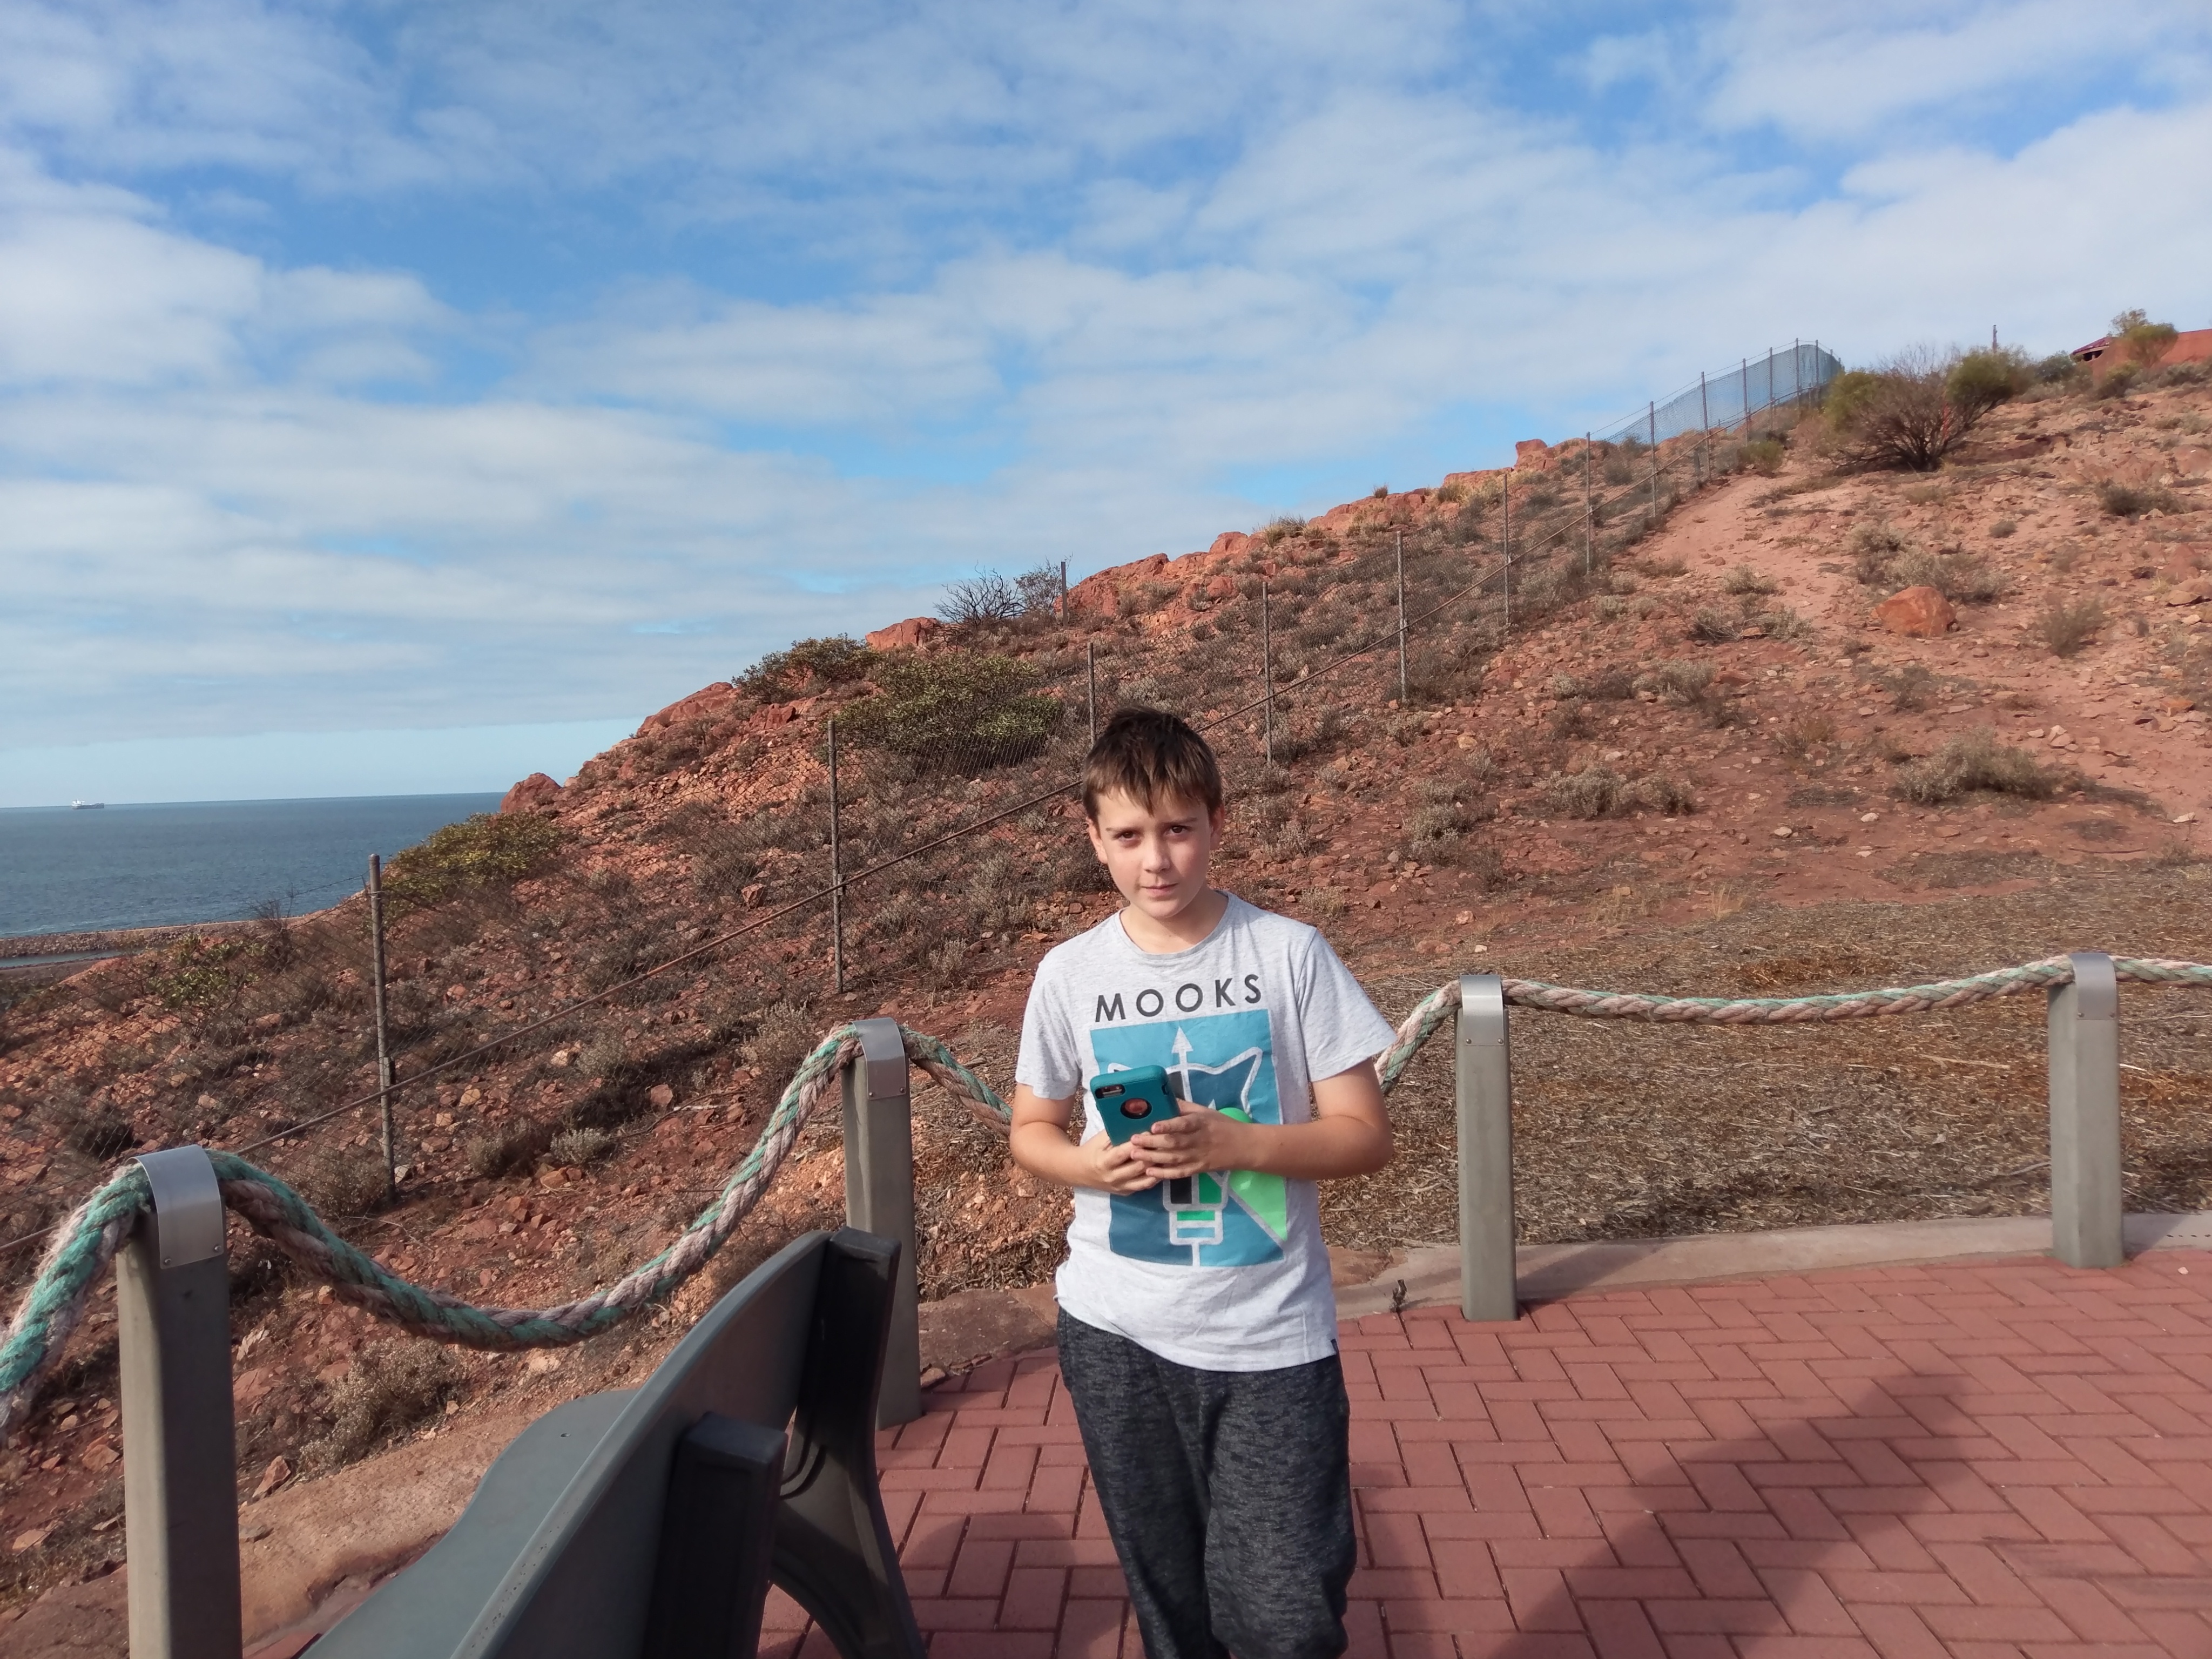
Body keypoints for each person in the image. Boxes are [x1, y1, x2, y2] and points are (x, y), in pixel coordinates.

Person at [1010, 706, 1395, 1659]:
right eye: (1129, 836)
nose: (1157, 861)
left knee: (1284, 1611)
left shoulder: (1290, 954)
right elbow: (1032, 1131)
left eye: (1179, 829)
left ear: (1218, 821)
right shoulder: (1069, 974)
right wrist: (1089, 1166)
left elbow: (1364, 1136)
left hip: (1270, 1338)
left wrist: (1235, 1144)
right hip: (1115, 1332)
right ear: (1093, 838)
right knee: (1171, 1608)